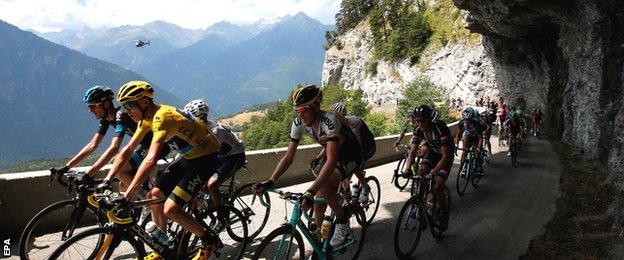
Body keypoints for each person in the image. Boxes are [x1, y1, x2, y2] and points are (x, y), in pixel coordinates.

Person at [101, 81, 222, 260]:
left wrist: (127, 196)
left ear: (143, 103)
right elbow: (127, 150)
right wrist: (107, 180)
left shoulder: (162, 117)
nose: (126, 111)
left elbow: (150, 159)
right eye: (124, 106)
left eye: (129, 106)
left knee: (170, 209)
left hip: (207, 158)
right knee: (154, 195)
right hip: (188, 156)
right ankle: (163, 247)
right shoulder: (145, 118)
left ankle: (209, 240)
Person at [253, 85, 363, 247]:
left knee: (323, 186)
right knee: (319, 204)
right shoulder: (299, 123)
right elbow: (288, 157)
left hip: (350, 155)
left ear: (316, 107)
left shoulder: (329, 120)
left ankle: (342, 219)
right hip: (334, 153)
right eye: (297, 110)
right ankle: (320, 247)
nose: (300, 114)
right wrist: (271, 181)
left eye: (304, 109)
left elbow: (332, 159)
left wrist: (310, 191)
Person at [56, 86, 169, 194]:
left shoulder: (121, 116)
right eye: (89, 107)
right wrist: (66, 167)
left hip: (158, 146)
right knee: (122, 185)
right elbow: (92, 145)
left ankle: (146, 200)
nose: (90, 110)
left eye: (93, 106)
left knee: (120, 170)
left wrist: (89, 174)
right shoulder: (106, 119)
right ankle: (145, 188)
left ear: (105, 104)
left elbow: (114, 148)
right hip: (144, 146)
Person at [183, 99, 246, 229]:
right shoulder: (199, 129)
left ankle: (222, 217)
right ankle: (217, 200)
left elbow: (205, 155)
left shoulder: (216, 130)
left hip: (234, 157)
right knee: (201, 185)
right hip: (220, 157)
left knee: (211, 185)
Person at [401, 105, 453, 232]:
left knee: (437, 186)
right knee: (420, 173)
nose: (420, 124)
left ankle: (445, 216)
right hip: (434, 152)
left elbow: (445, 156)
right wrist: (407, 169)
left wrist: (433, 172)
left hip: (446, 154)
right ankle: (420, 204)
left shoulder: (440, 128)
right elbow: (413, 151)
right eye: (417, 121)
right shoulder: (418, 129)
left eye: (423, 120)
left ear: (429, 119)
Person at [329, 102, 377, 203]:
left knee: (355, 165)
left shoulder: (353, 123)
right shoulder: (334, 125)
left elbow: (357, 147)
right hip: (353, 147)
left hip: (367, 147)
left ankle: (365, 188)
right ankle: (347, 194)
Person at [455, 107, 486, 176]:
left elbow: (480, 138)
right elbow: (458, 134)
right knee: (465, 151)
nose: (467, 121)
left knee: (477, 152)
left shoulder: (477, 124)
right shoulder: (462, 122)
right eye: (465, 119)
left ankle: (479, 167)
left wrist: (478, 148)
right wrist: (456, 145)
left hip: (477, 137)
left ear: (472, 118)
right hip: (468, 134)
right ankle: (463, 168)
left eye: (468, 120)